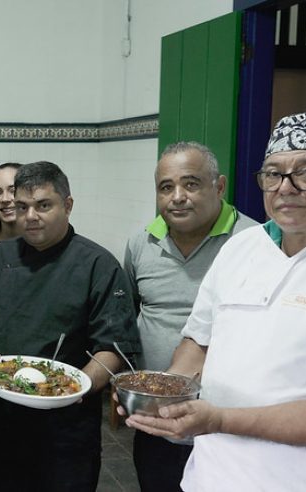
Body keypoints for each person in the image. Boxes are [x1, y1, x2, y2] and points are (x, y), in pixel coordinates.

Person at [124, 112, 306, 491]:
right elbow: (198, 342)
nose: (285, 187)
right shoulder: (242, 248)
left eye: (302, 171)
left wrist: (219, 419)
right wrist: (161, 394)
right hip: (210, 473)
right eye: (273, 173)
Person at [0, 161, 141, 491]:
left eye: (44, 205)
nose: (31, 216)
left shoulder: (98, 265)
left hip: (66, 431)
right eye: (23, 206)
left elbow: (112, 347)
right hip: (0, 423)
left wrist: (78, 385)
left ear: (67, 205)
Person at [123, 141, 257, 491]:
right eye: (166, 187)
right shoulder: (141, 244)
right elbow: (130, 314)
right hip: (156, 418)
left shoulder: (253, 244)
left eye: (191, 183)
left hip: (225, 423)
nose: (177, 196)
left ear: (220, 186)